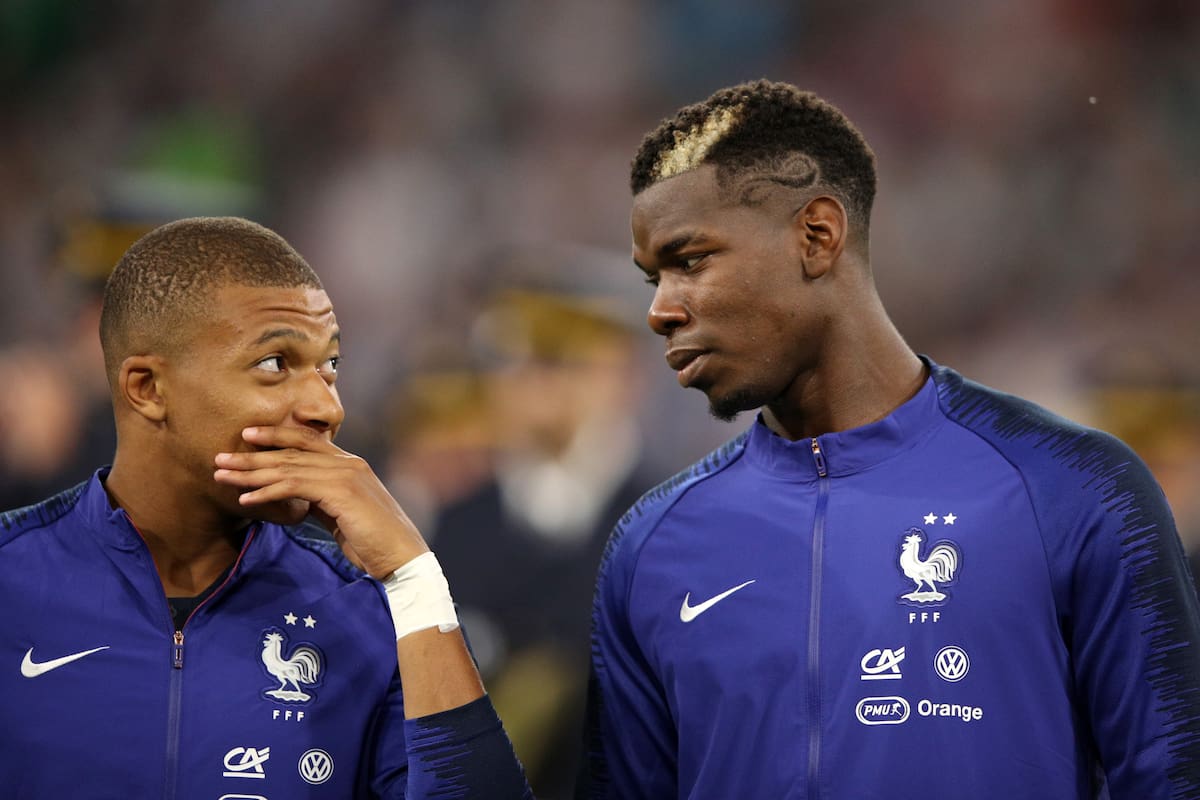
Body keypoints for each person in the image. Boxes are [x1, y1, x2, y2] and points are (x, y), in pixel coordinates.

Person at [577, 79, 1200, 799]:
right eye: (653, 278)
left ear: (817, 237)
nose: (659, 311)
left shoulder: (1072, 487)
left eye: (689, 261)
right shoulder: (651, 545)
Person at [0, 217, 532, 798]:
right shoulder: (11, 581)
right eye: (275, 364)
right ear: (148, 388)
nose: (327, 409)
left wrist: (414, 577)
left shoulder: (368, 614)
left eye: (330, 367)